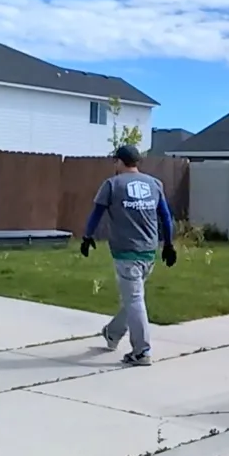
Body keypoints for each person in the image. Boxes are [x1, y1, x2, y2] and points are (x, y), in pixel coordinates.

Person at [81, 143, 177, 366]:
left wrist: (87, 236)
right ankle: (113, 333)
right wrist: (169, 244)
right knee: (134, 297)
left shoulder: (112, 185)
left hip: (126, 252)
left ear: (119, 161)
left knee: (134, 299)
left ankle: (142, 352)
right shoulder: (154, 184)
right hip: (149, 252)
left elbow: (96, 214)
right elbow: (165, 216)